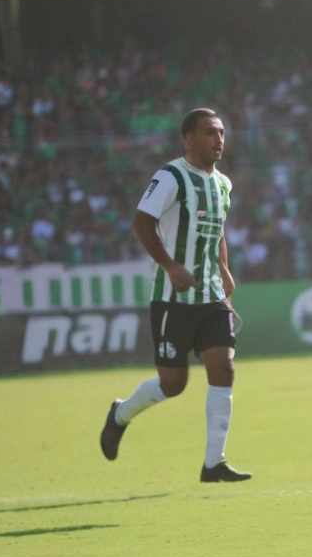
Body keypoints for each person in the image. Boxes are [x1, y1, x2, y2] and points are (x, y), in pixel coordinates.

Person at [99, 108, 251, 482]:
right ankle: (121, 413)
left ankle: (214, 463)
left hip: (211, 295)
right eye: (209, 133)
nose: (219, 140)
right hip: (172, 297)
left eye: (221, 133)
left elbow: (217, 231)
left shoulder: (223, 184)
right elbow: (142, 221)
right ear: (188, 139)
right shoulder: (170, 177)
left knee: (223, 366)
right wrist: (170, 265)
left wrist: (225, 268)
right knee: (173, 384)